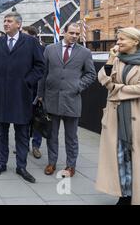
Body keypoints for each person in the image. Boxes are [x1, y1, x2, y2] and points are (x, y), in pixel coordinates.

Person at [0, 11, 45, 183]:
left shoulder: (31, 42)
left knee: (22, 132)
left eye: (9, 21)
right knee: (2, 131)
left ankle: (21, 166)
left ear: (19, 24)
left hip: (21, 94)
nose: (5, 23)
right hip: (1, 94)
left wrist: (27, 82)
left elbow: (40, 66)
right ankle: (1, 163)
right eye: (4, 21)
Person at [38, 23, 96, 178]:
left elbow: (91, 74)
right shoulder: (50, 49)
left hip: (72, 100)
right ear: (64, 33)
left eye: (77, 34)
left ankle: (71, 166)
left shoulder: (85, 52)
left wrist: (78, 86)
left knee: (71, 137)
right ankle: (52, 163)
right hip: (51, 99)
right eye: (72, 33)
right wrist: (40, 95)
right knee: (52, 135)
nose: (75, 36)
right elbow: (43, 74)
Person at [96, 27, 140, 205]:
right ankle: (124, 195)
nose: (118, 42)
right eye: (118, 39)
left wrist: (116, 89)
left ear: (135, 42)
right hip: (116, 118)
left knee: (135, 157)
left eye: (122, 39)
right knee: (120, 156)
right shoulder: (117, 59)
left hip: (135, 116)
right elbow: (103, 79)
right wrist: (110, 59)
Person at [22, 25, 44, 159]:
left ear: (32, 36)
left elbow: (43, 71)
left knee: (37, 120)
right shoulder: (20, 49)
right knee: (23, 120)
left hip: (37, 92)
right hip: (23, 91)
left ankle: (36, 146)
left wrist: (41, 94)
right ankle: (23, 145)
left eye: (24, 34)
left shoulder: (43, 50)